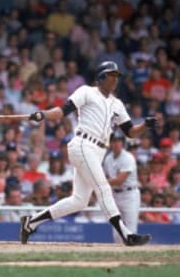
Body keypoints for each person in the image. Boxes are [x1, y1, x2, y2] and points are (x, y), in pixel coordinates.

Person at [20, 61, 156, 246]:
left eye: (117, 76)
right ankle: (126, 234)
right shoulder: (86, 91)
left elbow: (130, 131)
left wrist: (145, 126)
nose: (115, 79)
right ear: (101, 77)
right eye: (111, 75)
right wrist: (43, 114)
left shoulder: (117, 104)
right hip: (83, 144)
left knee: (79, 201)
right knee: (103, 188)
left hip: (98, 151)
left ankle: (31, 222)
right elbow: (62, 111)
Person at [102, 135, 140, 244]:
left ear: (122, 143)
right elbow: (105, 176)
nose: (116, 144)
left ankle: (132, 256)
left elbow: (120, 180)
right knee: (117, 227)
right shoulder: (108, 158)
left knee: (130, 227)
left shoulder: (128, 157)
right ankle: (118, 255)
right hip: (115, 194)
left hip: (129, 194)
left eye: (118, 141)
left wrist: (100, 182)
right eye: (113, 141)